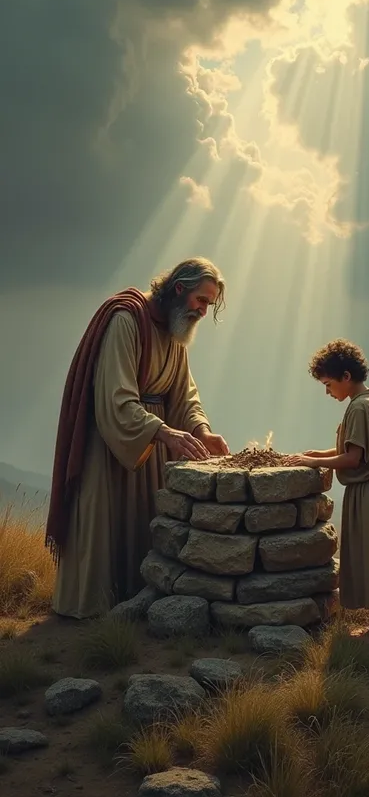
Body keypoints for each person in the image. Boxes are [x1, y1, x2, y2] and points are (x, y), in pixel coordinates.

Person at [46, 257, 229, 619]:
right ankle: (92, 612)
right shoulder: (126, 319)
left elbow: (184, 395)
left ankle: (134, 609)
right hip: (114, 446)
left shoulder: (176, 331)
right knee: (106, 527)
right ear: (179, 288)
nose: (203, 311)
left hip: (152, 444)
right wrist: (162, 432)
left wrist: (201, 432)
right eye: (201, 301)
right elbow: (116, 398)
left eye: (208, 304)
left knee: (146, 528)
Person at [287, 338, 369, 643]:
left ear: (346, 376)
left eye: (329, 384)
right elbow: (352, 448)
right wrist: (317, 454)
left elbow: (353, 458)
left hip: (368, 493)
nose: (328, 392)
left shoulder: (359, 409)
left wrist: (308, 461)